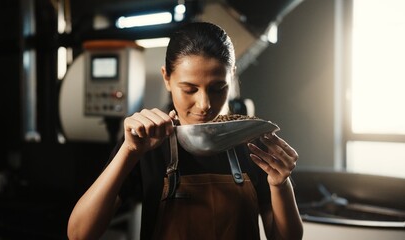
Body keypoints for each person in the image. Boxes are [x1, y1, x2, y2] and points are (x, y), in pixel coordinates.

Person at [67, 22, 303, 240]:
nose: (205, 105)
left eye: (218, 88)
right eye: (190, 89)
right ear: (167, 78)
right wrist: (128, 151)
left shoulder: (251, 142)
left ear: (231, 77)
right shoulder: (146, 143)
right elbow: (79, 234)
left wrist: (280, 184)